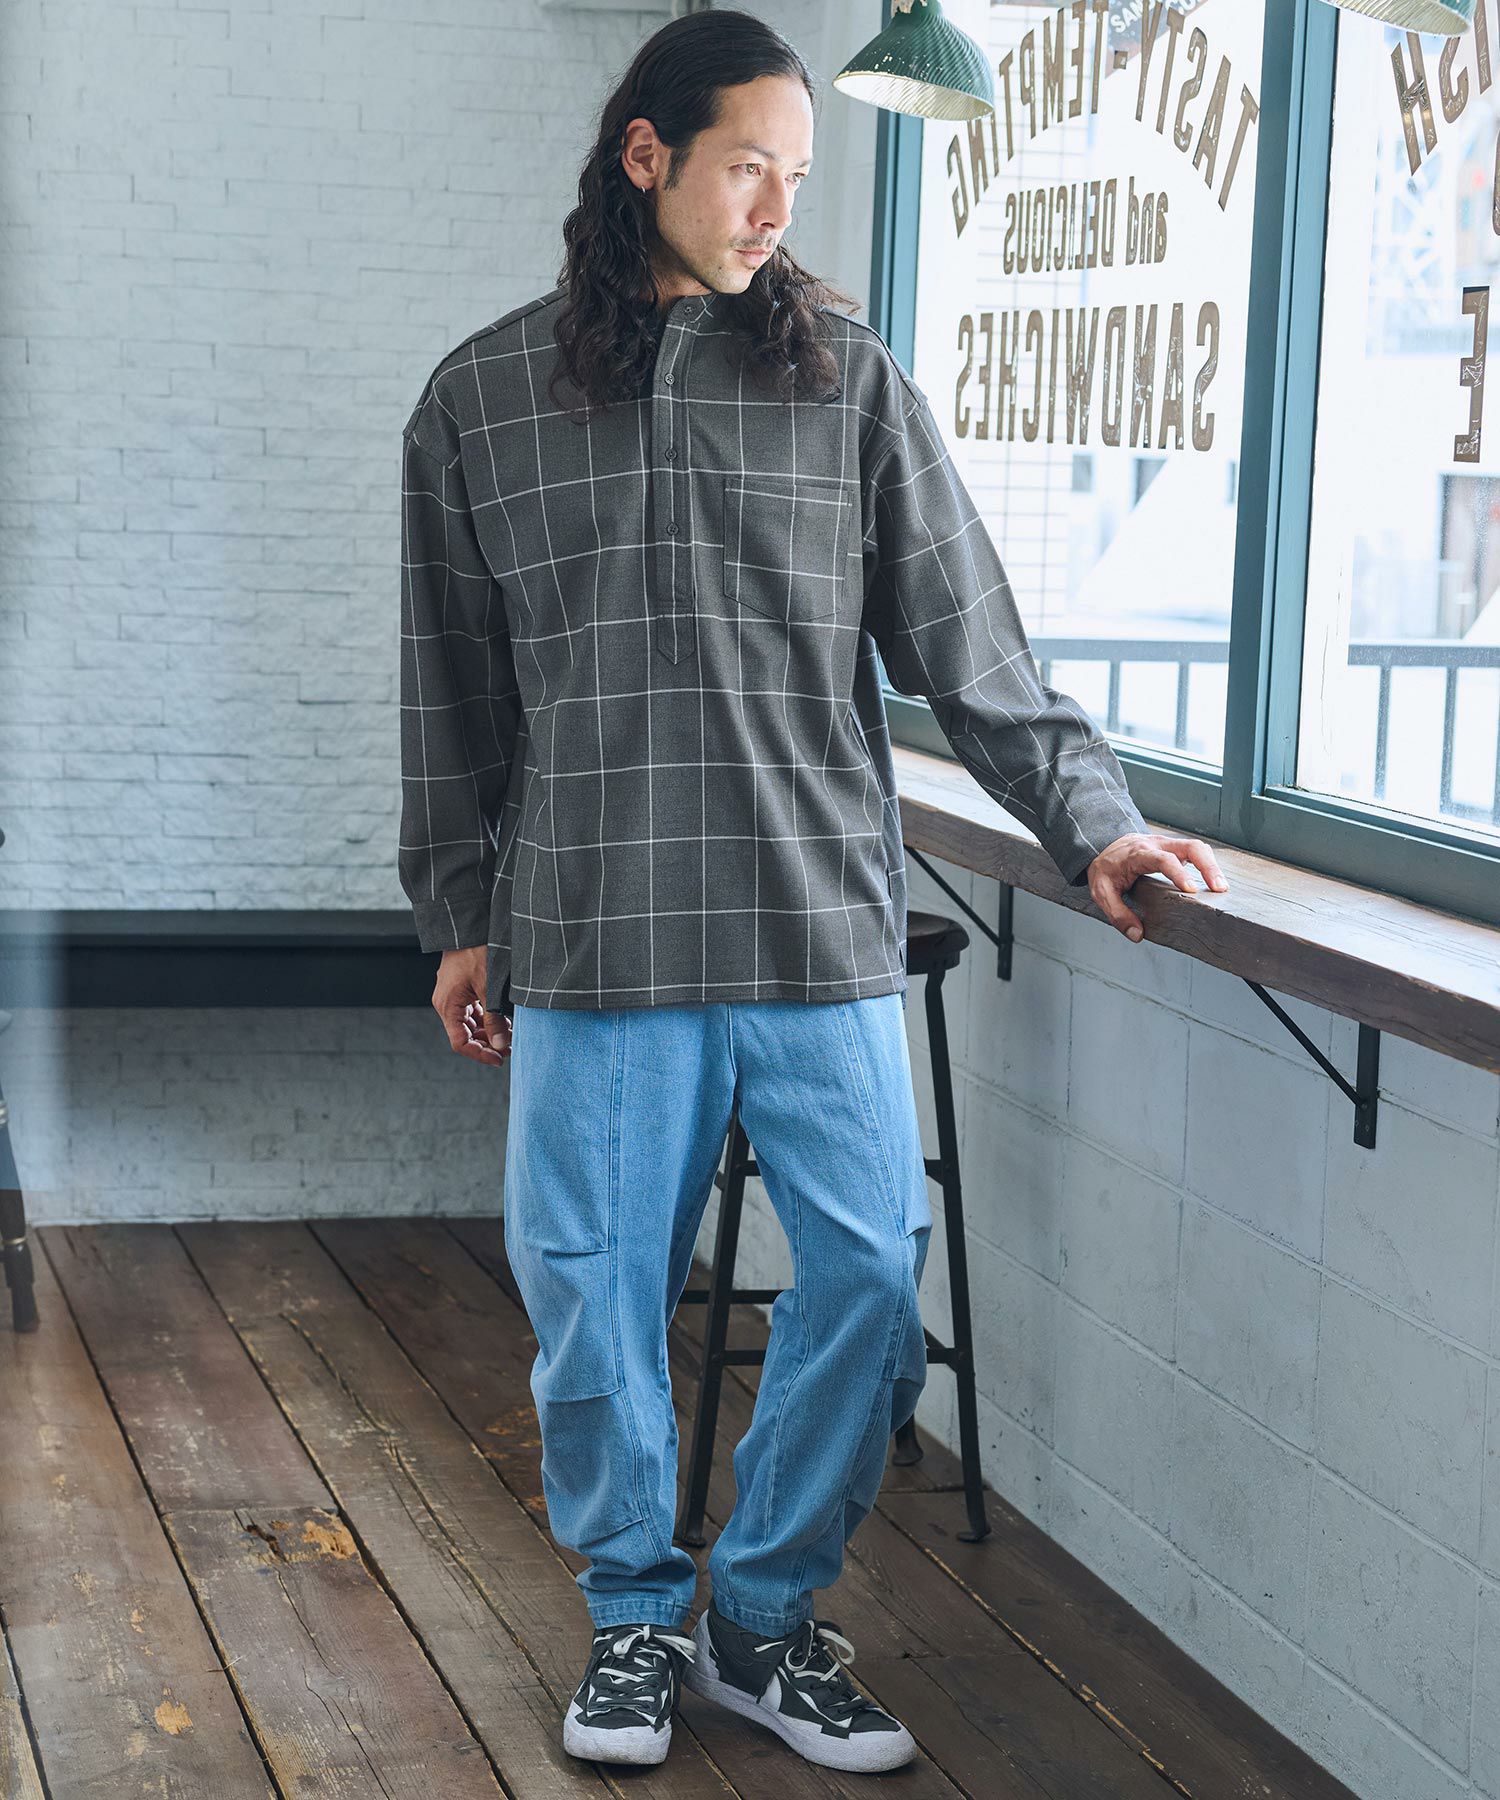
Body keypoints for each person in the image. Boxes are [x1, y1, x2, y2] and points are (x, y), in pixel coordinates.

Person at [398, 8, 1229, 1777]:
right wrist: (460, 910)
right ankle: (635, 1620)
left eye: (799, 171)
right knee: (592, 1298)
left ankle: (760, 1621)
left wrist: (1095, 823)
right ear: (647, 159)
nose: (779, 206)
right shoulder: (481, 399)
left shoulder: (848, 383)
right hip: (595, 929)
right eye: (747, 166)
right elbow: (451, 692)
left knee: (866, 1270)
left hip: (814, 923)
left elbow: (972, 650)